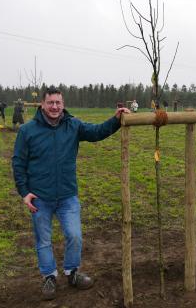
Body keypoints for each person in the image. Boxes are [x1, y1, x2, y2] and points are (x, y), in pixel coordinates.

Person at [12, 86, 130, 300]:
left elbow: (96, 132)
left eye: (58, 103)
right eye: (50, 103)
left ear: (63, 104)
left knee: (74, 236)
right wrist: (24, 192)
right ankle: (49, 276)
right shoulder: (27, 131)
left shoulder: (73, 125)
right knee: (43, 241)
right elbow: (18, 163)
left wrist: (115, 120)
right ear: (43, 104)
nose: (55, 106)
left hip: (67, 195)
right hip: (40, 197)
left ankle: (72, 272)